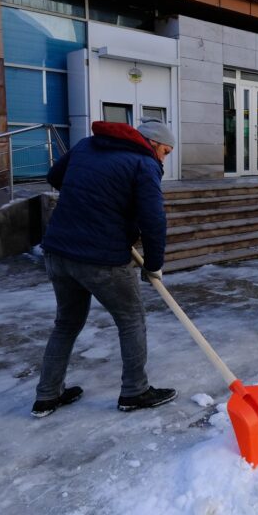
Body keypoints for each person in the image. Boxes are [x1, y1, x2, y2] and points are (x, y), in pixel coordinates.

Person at [32, 118, 177, 418]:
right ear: (152, 144)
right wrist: (154, 265)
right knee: (131, 320)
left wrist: (94, 198)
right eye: (165, 151)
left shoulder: (86, 146)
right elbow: (153, 220)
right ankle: (135, 391)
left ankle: (47, 395)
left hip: (58, 252)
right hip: (103, 258)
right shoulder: (143, 163)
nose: (164, 158)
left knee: (67, 323)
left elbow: (55, 176)